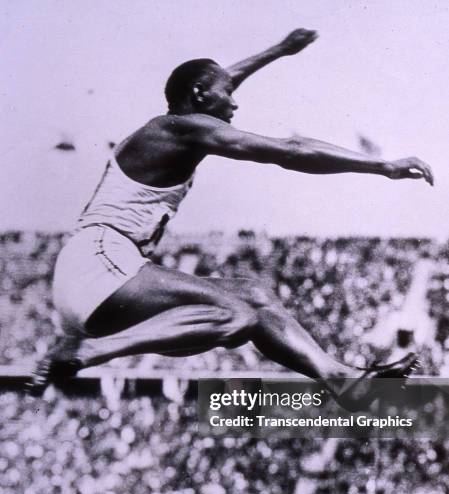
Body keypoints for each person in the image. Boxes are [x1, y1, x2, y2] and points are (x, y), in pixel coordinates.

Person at [30, 28, 432, 403]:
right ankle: (88, 350)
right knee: (236, 314)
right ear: (202, 95)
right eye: (227, 93)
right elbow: (291, 150)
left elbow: (221, 80)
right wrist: (382, 166)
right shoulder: (177, 129)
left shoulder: (180, 122)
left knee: (255, 298)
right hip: (100, 264)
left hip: (99, 276)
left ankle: (344, 383)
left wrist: (278, 51)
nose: (236, 100)